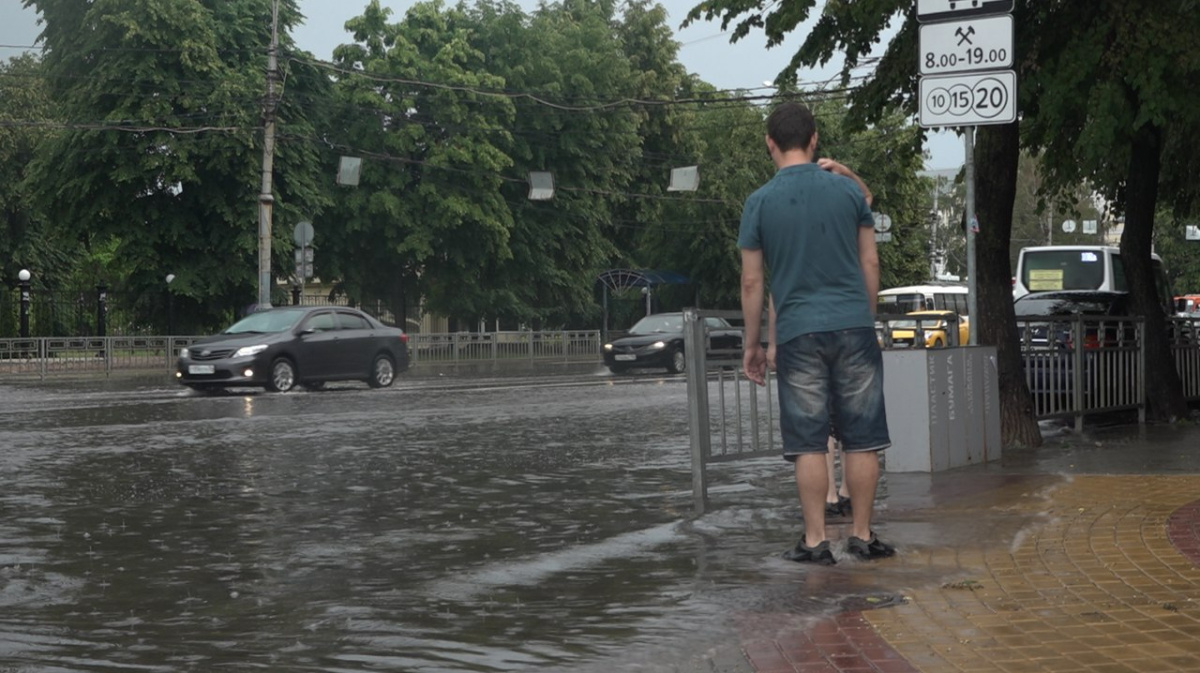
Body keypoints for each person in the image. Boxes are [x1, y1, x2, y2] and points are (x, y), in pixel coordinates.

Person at [740, 101, 894, 565]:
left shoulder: (760, 202)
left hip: (797, 333)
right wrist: (862, 316)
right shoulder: (847, 195)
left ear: (770, 143)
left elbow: (752, 281)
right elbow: (870, 260)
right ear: (814, 139)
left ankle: (815, 541)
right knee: (863, 436)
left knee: (808, 440)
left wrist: (754, 344)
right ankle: (863, 536)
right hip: (853, 324)